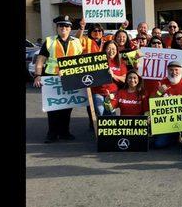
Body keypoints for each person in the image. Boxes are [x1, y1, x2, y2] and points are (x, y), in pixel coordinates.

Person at [33, 15, 83, 143]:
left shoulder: (76, 42)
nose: (64, 28)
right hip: (52, 78)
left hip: (70, 77)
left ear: (70, 28)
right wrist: (37, 75)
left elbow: (81, 60)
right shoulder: (49, 41)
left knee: (67, 107)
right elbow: (41, 60)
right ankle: (52, 134)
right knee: (53, 108)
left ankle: (65, 132)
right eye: (61, 26)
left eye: (66, 26)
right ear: (57, 28)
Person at [152, 60, 182, 149]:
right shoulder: (161, 83)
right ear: (167, 70)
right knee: (159, 144)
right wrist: (159, 93)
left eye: (176, 70)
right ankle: (174, 135)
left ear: (181, 71)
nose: (174, 72)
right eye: (171, 70)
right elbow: (152, 102)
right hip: (167, 122)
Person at [90, 40, 128, 116]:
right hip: (98, 92)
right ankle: (98, 127)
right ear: (104, 50)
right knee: (100, 112)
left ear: (117, 51)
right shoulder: (97, 61)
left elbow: (125, 79)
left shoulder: (120, 62)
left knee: (110, 113)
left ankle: (112, 127)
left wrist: (113, 75)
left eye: (113, 49)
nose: (111, 51)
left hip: (113, 93)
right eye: (109, 49)